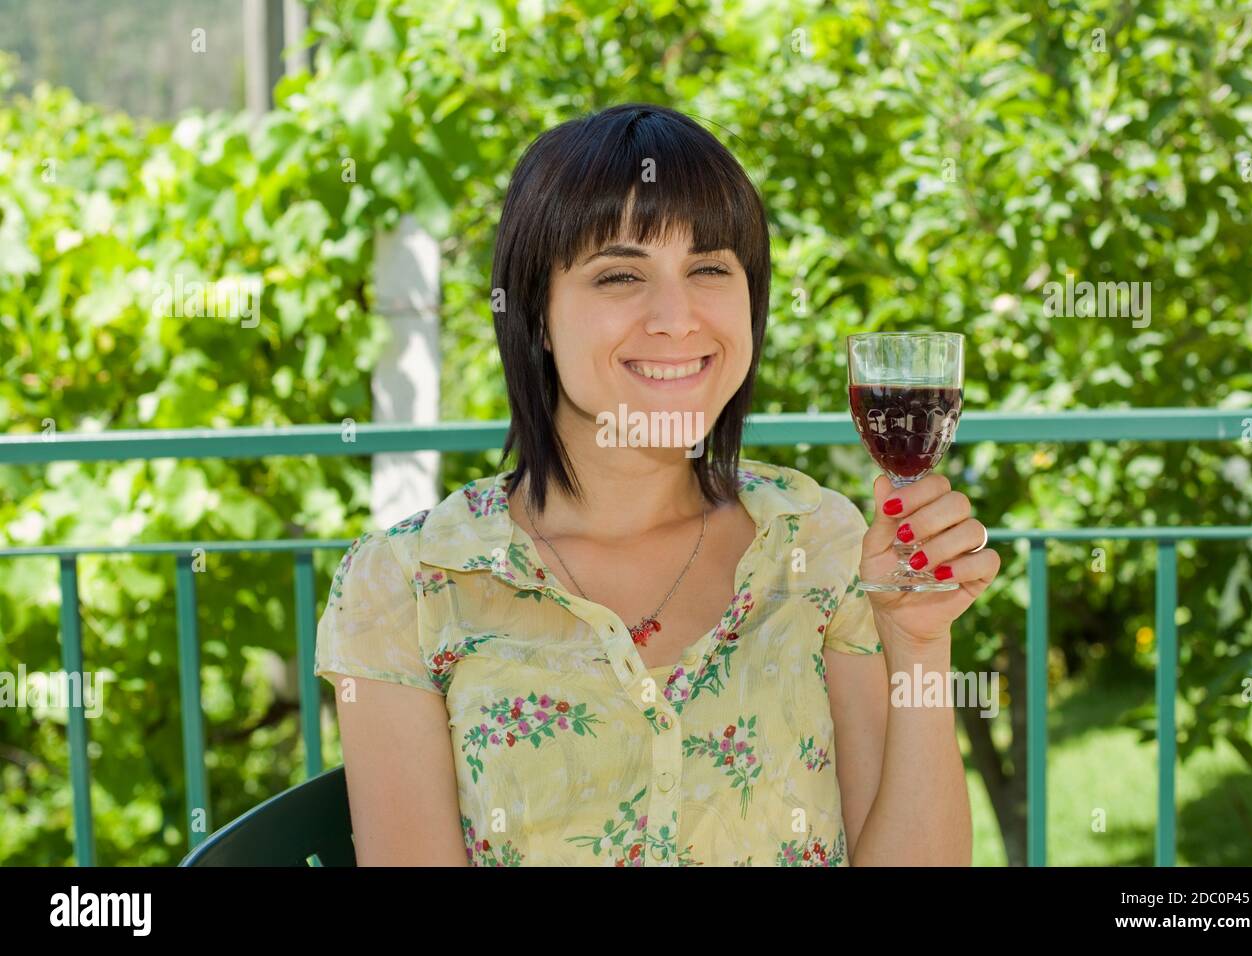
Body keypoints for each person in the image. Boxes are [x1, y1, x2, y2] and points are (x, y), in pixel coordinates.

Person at [315, 103, 1000, 866]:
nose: (675, 319)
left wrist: (919, 647)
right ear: (536, 314)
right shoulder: (405, 588)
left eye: (709, 268)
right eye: (620, 275)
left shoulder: (821, 545)